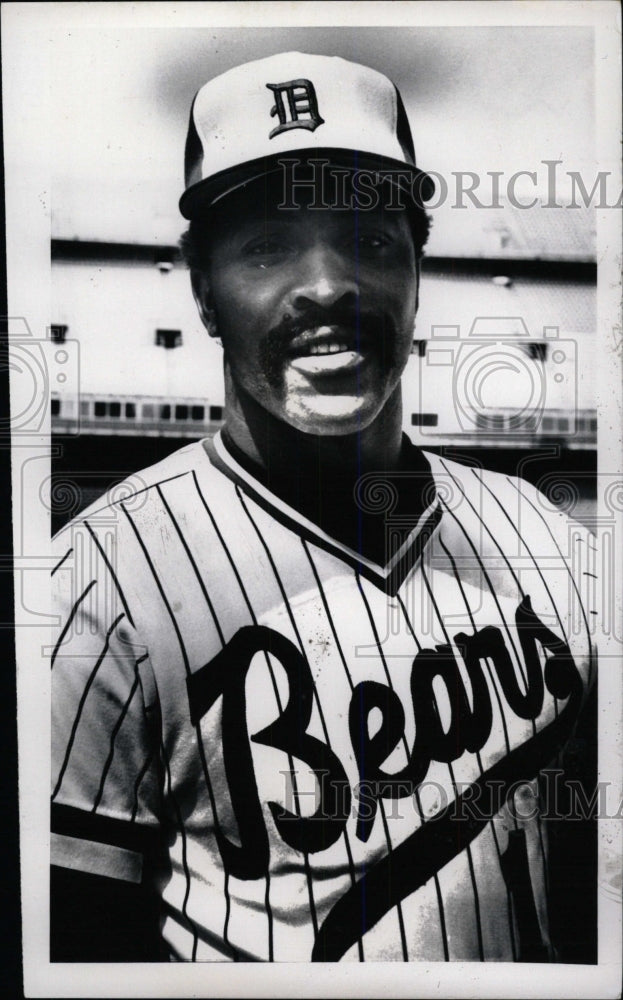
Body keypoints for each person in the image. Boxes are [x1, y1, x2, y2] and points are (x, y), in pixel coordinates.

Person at [50, 51, 596, 963]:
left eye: (371, 241)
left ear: (418, 269)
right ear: (202, 292)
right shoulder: (94, 588)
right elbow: (73, 948)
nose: (328, 285)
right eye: (266, 246)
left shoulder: (547, 540)